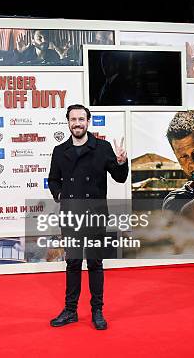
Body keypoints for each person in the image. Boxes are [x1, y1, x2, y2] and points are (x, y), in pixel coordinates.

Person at [47, 104, 128, 330]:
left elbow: (120, 178)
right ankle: (70, 311)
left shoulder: (102, 148)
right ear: (68, 123)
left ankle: (97, 311)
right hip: (71, 216)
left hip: (94, 217)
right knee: (72, 263)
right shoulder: (59, 150)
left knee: (94, 263)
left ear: (88, 121)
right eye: (73, 119)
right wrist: (59, 193)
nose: (77, 123)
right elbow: (53, 179)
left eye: (81, 119)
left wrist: (121, 162)